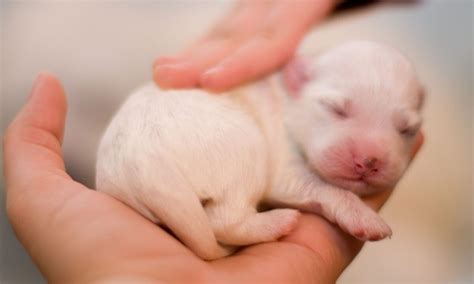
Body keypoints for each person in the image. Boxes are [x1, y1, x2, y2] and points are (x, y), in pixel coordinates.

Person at [3, 1, 423, 283]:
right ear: (295, 81)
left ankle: (212, 219)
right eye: (336, 110)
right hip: (175, 148)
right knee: (243, 150)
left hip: (135, 172)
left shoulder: (276, 103)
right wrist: (338, 201)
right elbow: (284, 179)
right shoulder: (264, 100)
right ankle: (231, 220)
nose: (370, 154)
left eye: (403, 130)